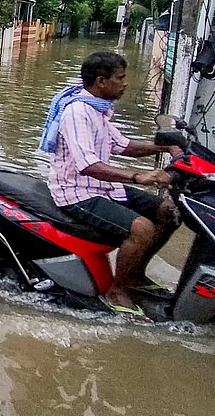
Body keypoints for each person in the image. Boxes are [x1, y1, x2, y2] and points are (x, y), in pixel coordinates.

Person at [40, 51, 184, 315]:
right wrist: (140, 177)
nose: (125, 83)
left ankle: (135, 275)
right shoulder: (78, 112)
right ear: (101, 81)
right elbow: (88, 164)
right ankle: (117, 290)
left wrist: (166, 147)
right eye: (121, 78)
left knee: (169, 211)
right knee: (141, 228)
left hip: (101, 188)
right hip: (76, 192)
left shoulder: (98, 109)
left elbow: (122, 145)